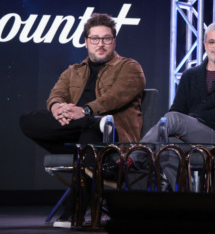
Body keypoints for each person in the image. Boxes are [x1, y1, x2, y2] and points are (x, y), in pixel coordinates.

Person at [138, 21, 215, 190]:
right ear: (205, 44)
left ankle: (135, 156)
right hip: (190, 136)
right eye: (212, 42)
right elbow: (177, 108)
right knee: (166, 146)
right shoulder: (190, 75)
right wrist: (184, 127)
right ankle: (186, 196)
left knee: (173, 120)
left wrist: (190, 120)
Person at [20, 12, 146, 152]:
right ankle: (90, 125)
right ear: (86, 42)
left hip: (108, 134)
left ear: (114, 41)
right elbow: (57, 94)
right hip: (75, 128)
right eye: (94, 39)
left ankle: (92, 125)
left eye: (106, 39)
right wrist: (57, 108)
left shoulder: (129, 66)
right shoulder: (73, 71)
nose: (101, 44)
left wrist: (85, 111)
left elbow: (115, 97)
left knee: (91, 132)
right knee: (27, 120)